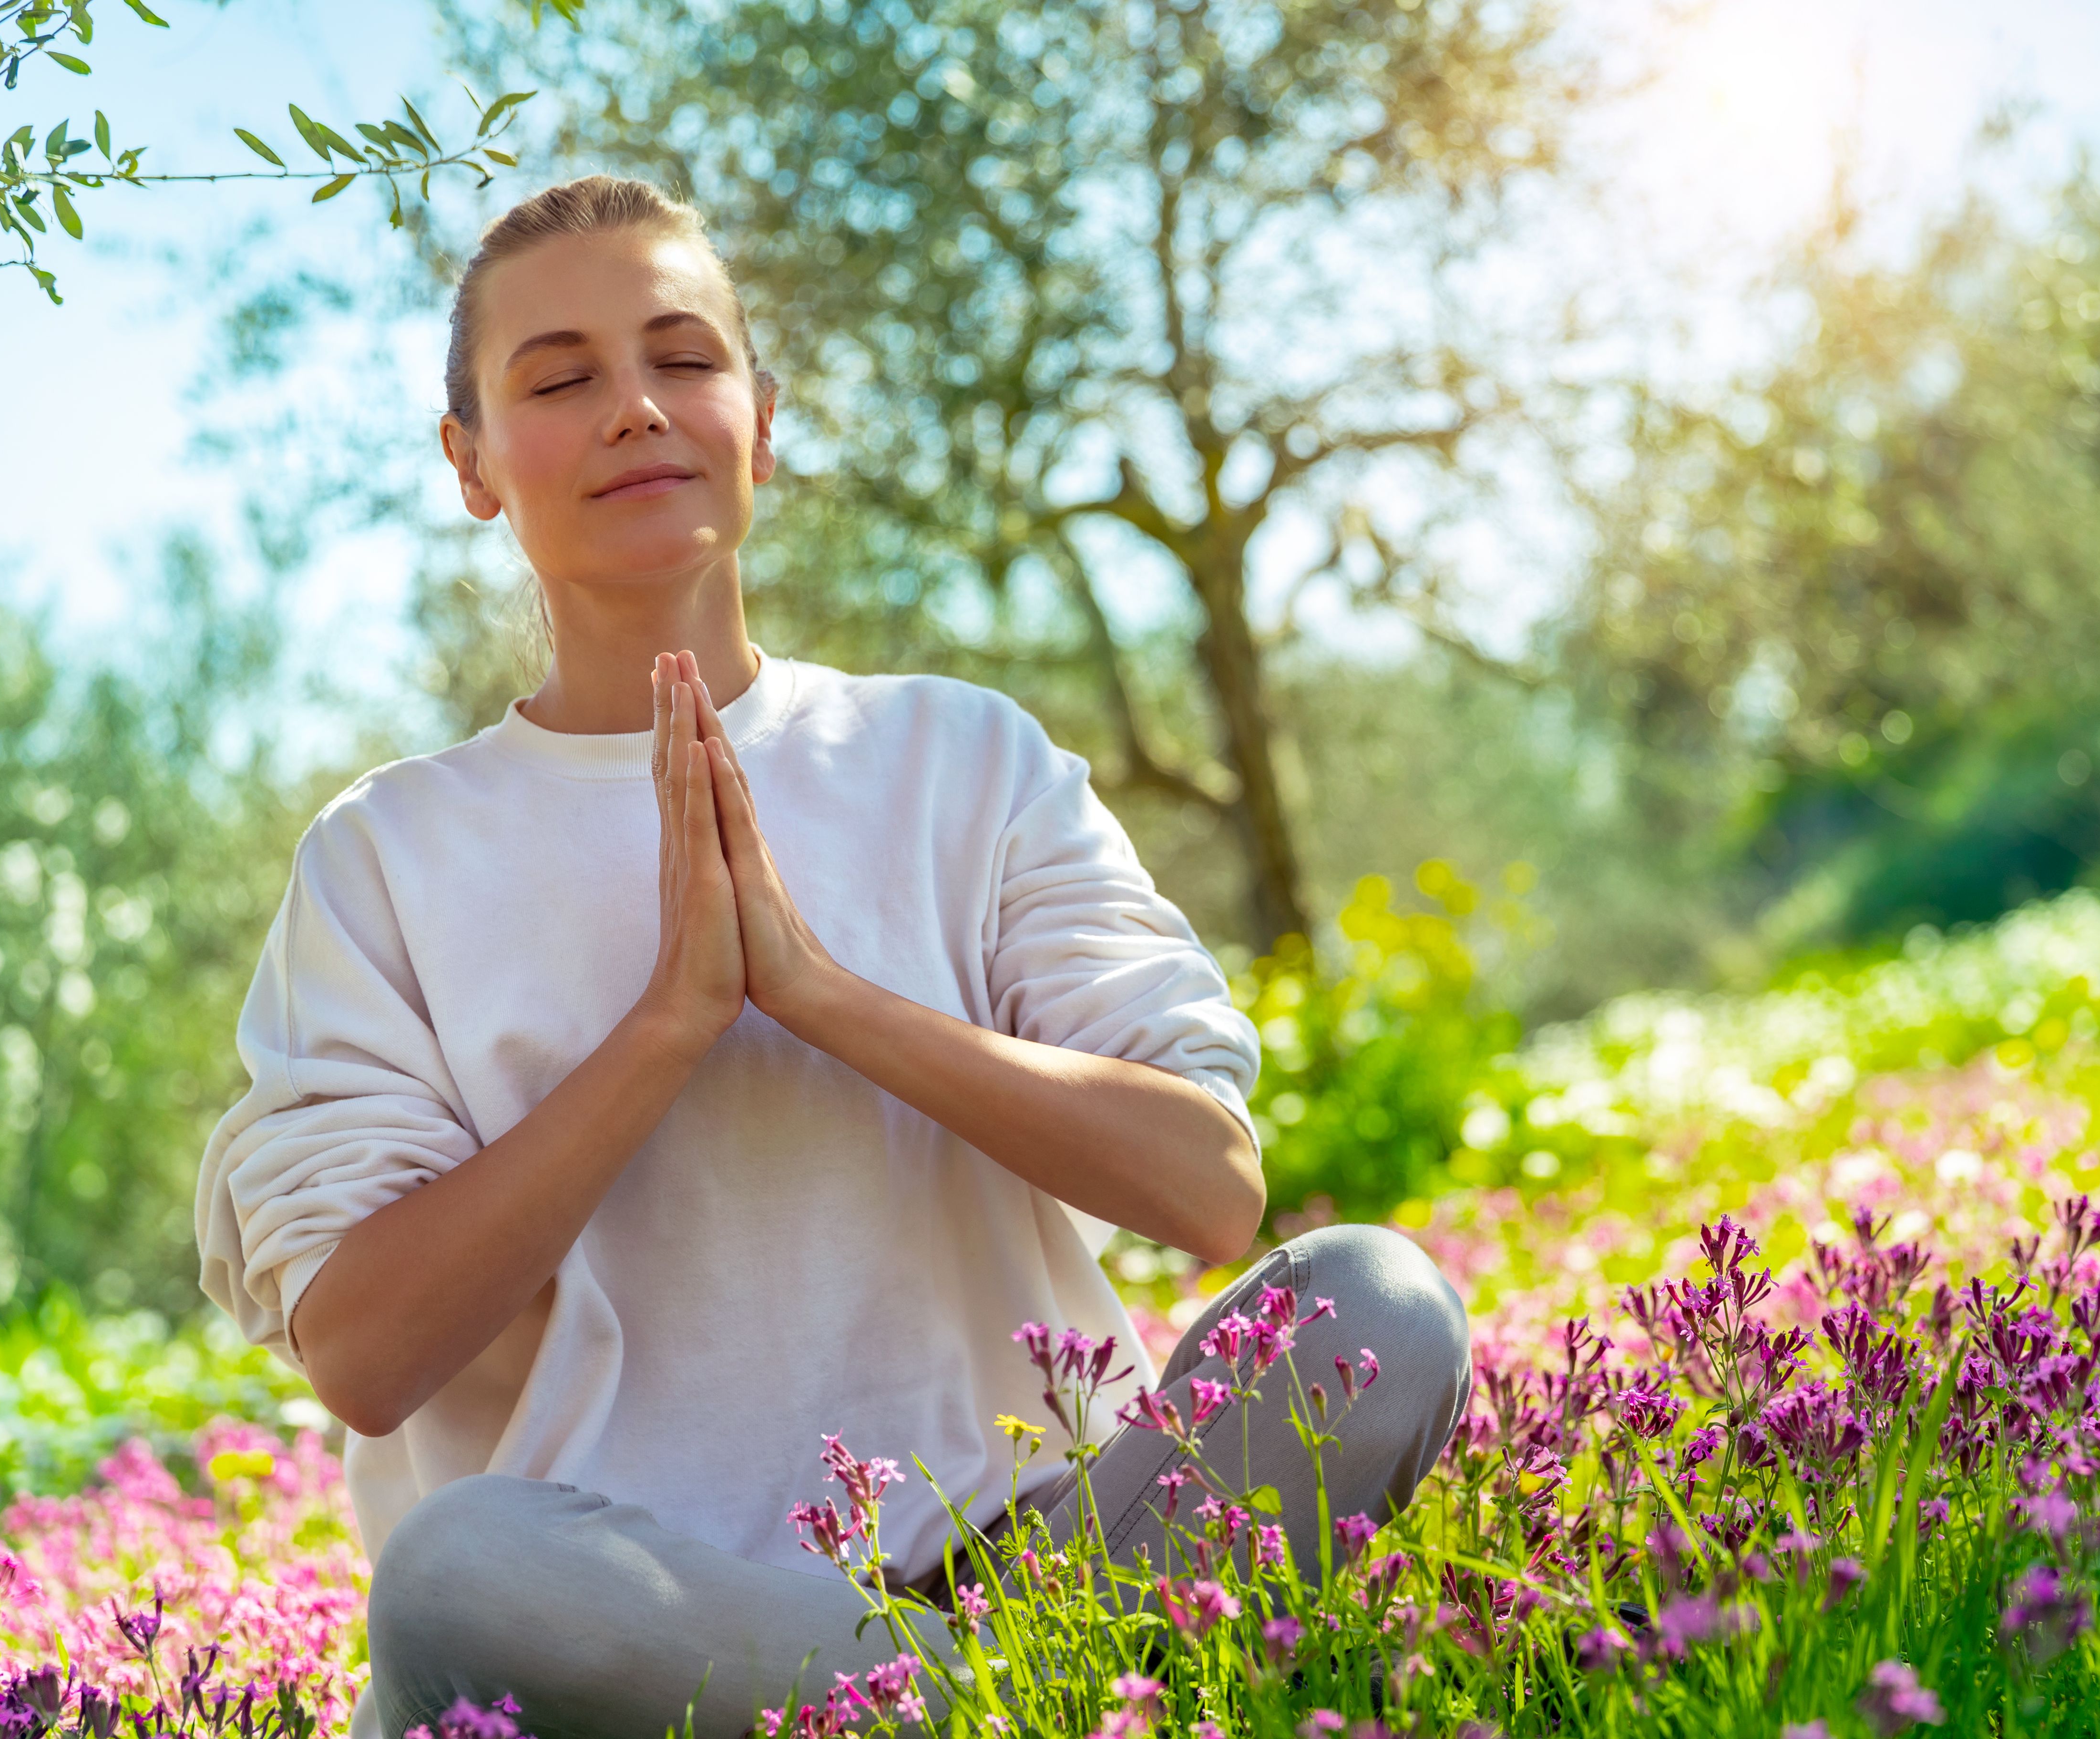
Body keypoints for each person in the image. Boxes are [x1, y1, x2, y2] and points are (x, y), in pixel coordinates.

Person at [193, 175, 1472, 1739]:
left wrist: (820, 996)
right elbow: (367, 1354)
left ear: (762, 420)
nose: (635, 411)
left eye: (684, 358)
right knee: (461, 1576)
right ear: (470, 462)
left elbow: (1209, 1185)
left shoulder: (958, 756)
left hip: (1047, 1562)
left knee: (1379, 1307)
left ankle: (954, 1694)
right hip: (643, 1628)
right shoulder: (382, 856)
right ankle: (1021, 1708)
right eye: (560, 378)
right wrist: (669, 1026)